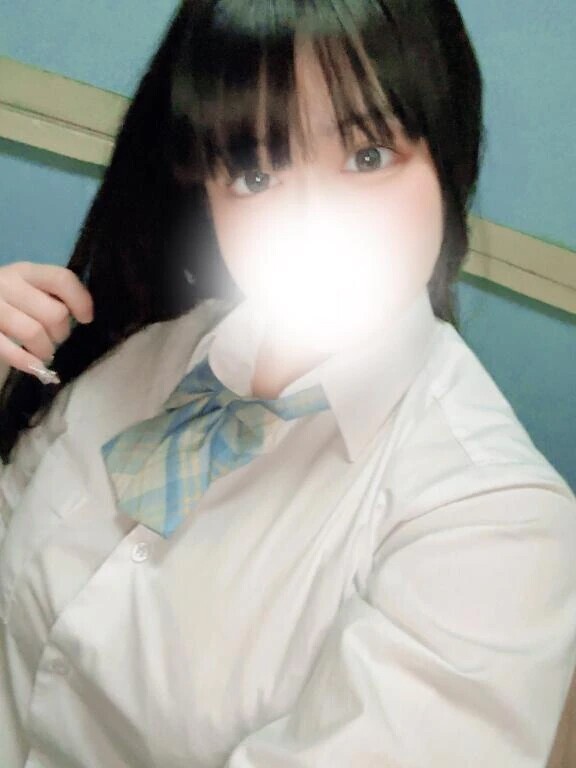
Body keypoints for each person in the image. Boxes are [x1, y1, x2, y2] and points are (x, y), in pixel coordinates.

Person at [1, 0, 575, 766]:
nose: (313, 222)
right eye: (256, 172)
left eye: (368, 156)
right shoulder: (149, 349)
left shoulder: (495, 526)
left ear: (448, 158)